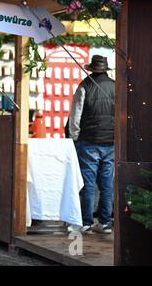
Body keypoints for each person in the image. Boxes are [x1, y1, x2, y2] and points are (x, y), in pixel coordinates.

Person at [69, 55, 115, 234]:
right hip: (110, 142)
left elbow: (75, 115)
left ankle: (86, 222)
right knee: (107, 183)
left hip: (88, 141)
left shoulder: (84, 86)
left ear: (91, 69)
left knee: (87, 183)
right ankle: (104, 222)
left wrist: (74, 137)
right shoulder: (115, 86)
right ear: (105, 69)